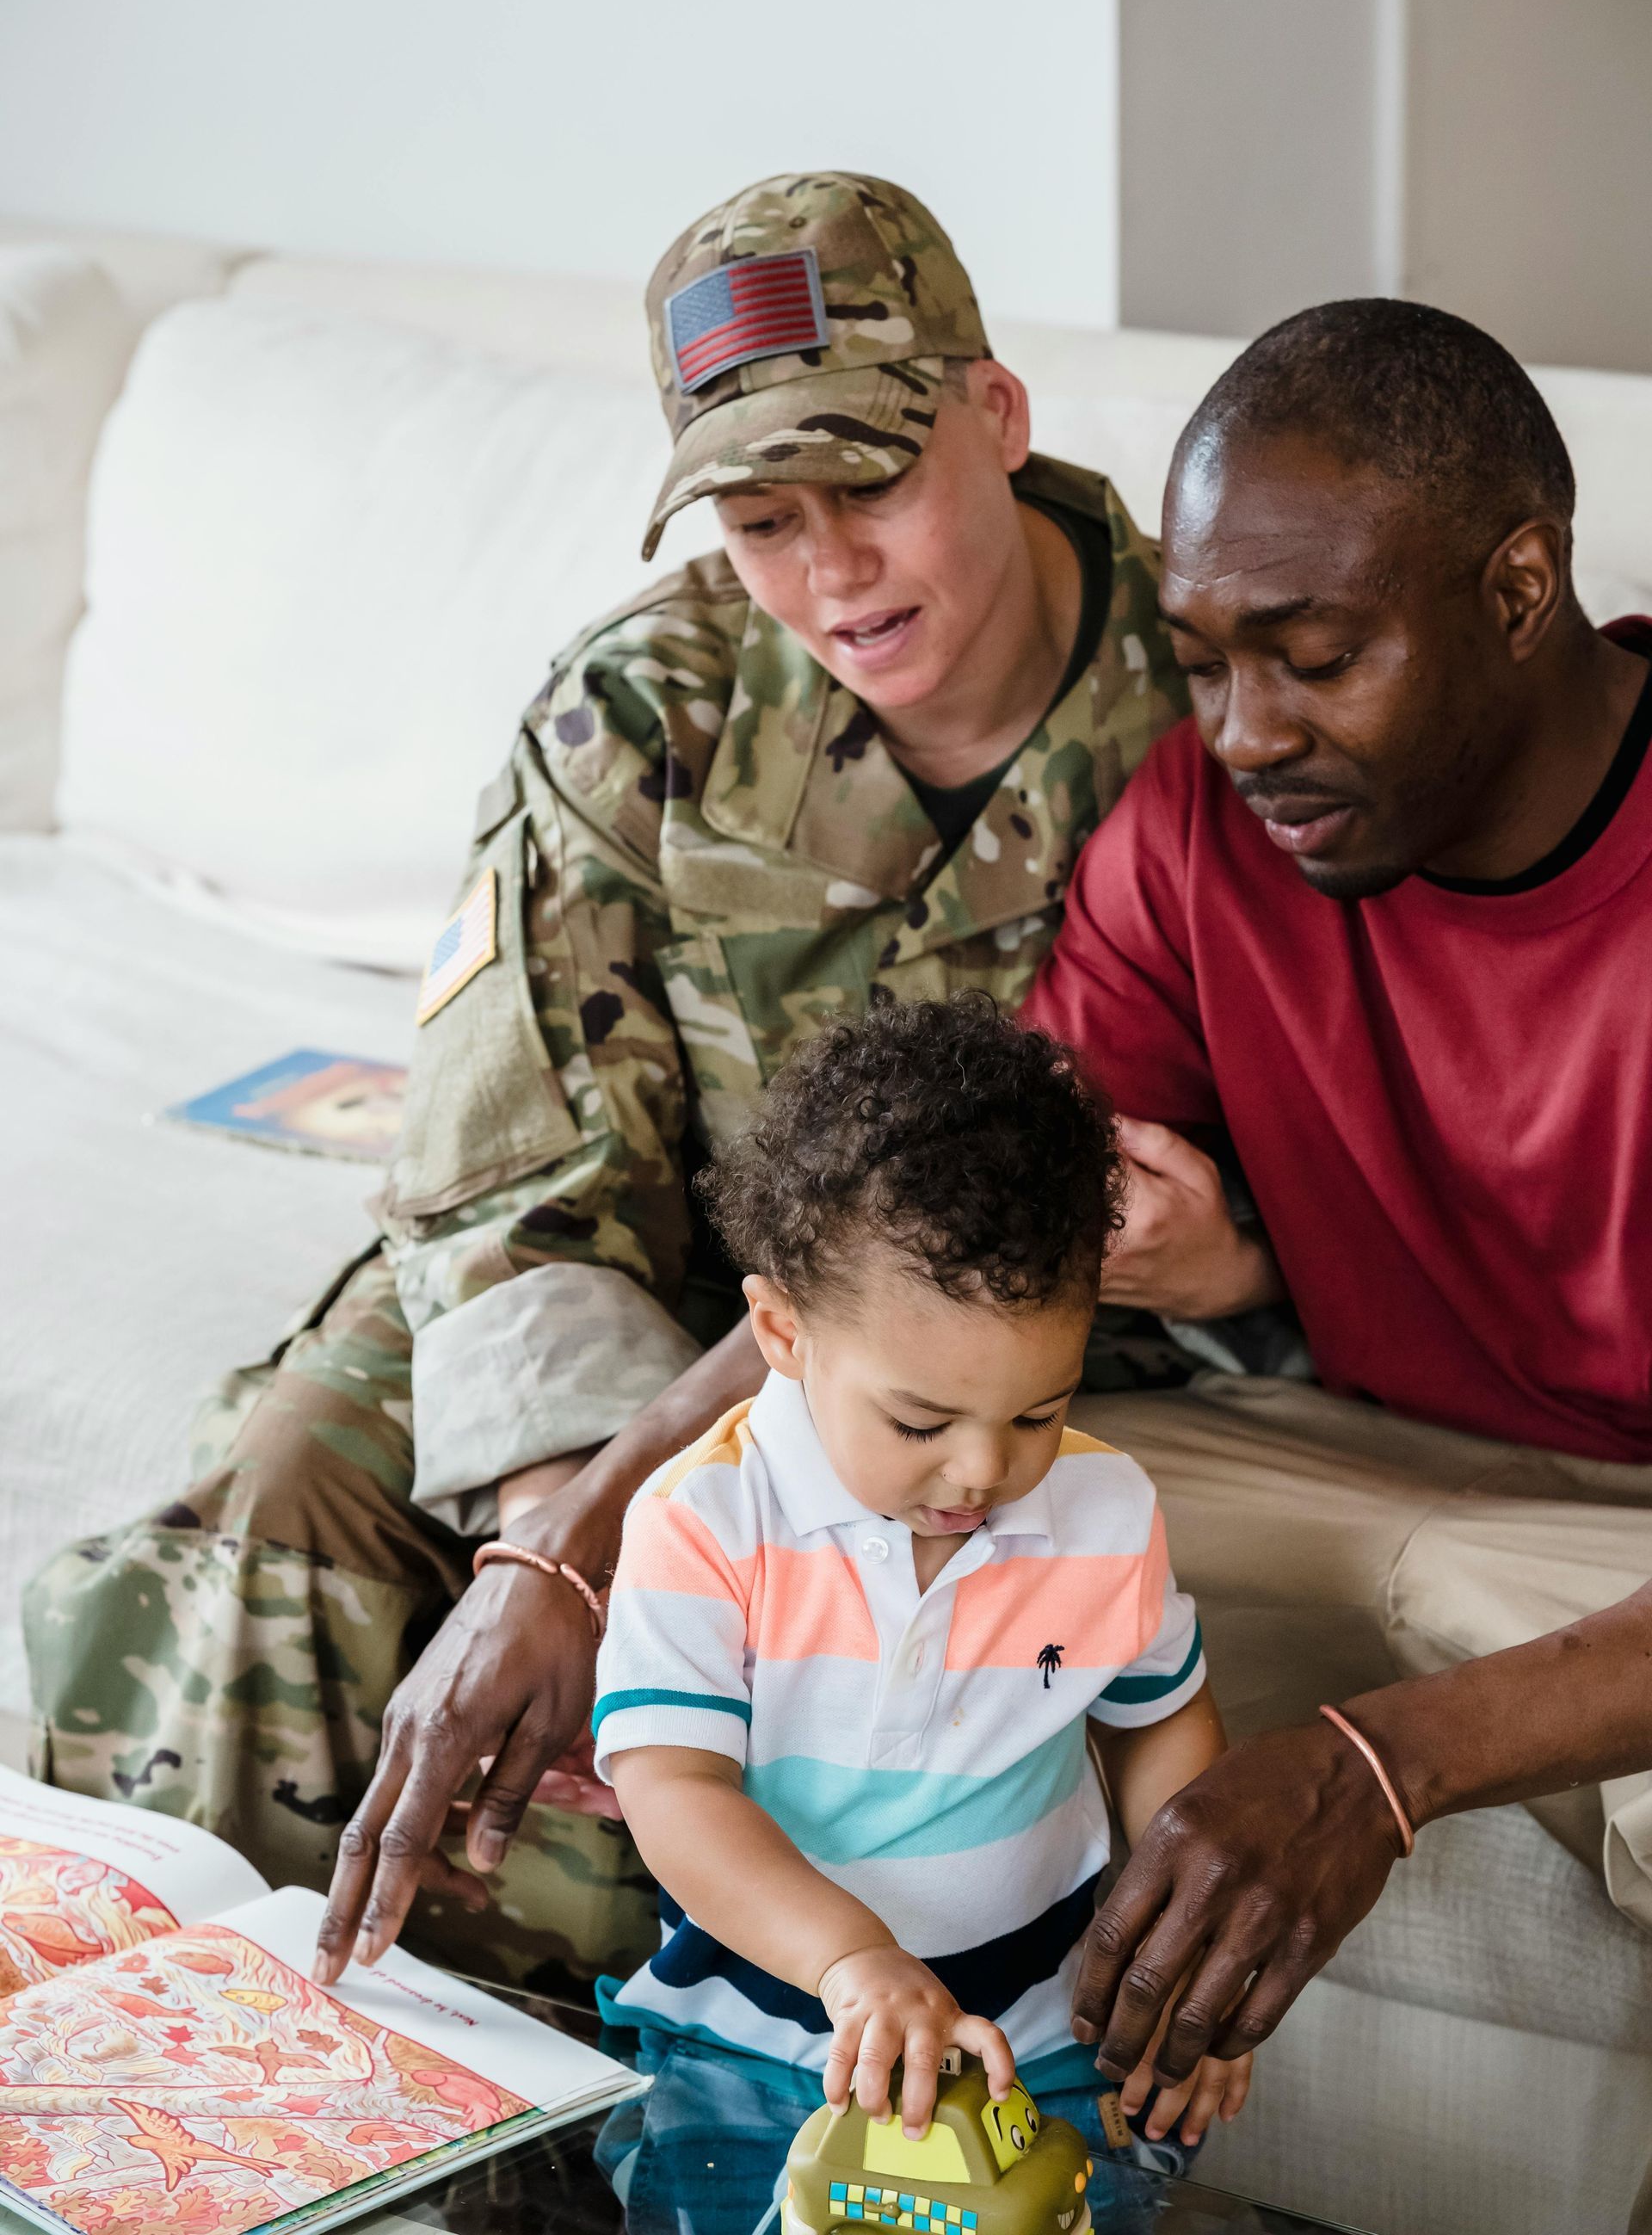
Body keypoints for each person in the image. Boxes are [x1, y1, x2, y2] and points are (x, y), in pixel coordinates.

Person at [24, 170, 1188, 1991]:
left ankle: (581, 2127)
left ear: (998, 414)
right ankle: (202, 2062)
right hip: (619, 1303)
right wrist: (547, 1518)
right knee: (285, 1473)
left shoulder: (1206, 715)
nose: (831, 575)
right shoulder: (646, 707)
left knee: (729, 1659)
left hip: (936, 1356)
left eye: (871, 484)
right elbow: (502, 1171)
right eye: (760, 516)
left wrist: (604, 1556)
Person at [1014, 298, 1652, 2092]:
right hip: (1330, 1450)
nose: (1241, 732)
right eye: (1207, 661)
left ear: (1519, 592)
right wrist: (585, 1532)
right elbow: (948, 1226)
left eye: (1311, 654)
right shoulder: (1200, 832)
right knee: (847, 1560)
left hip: (1628, 1539)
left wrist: (1384, 1765)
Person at [591, 997, 1248, 2231]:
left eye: (1037, 1412)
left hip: (1038, 2057)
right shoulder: (704, 1521)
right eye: (919, 1423)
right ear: (782, 1329)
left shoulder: (1105, 1511)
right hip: (756, 2047)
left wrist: (1186, 1968)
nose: (981, 1474)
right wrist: (851, 1964)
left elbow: (1164, 1723)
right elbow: (673, 1786)